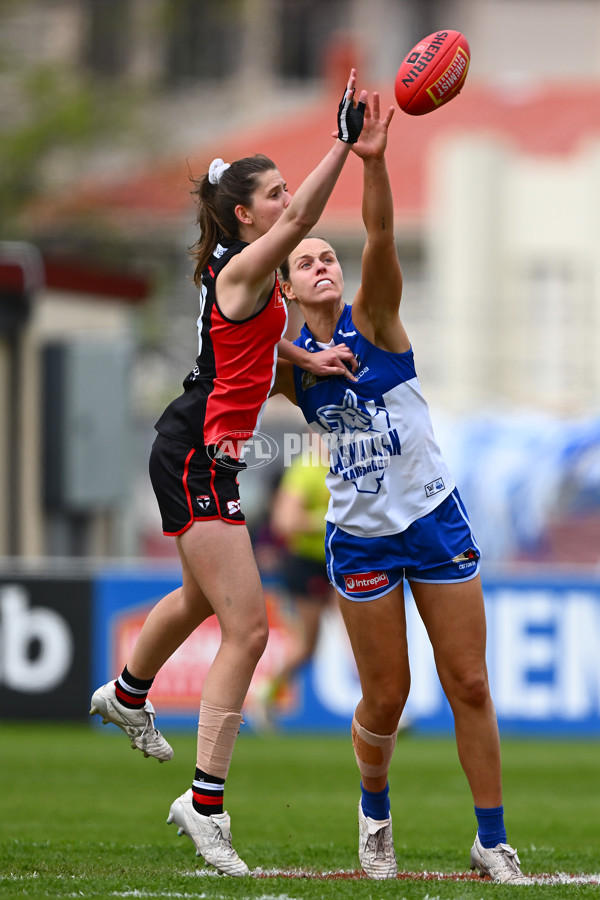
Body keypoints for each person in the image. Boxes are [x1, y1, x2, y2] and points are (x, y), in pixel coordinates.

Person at [89, 70, 368, 877]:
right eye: (275, 194)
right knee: (247, 628)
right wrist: (342, 143)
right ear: (246, 213)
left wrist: (307, 354)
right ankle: (204, 804)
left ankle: (129, 693)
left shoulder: (245, 273)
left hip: (199, 449)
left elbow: (252, 342)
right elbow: (312, 218)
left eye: (287, 190)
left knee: (204, 599)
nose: (288, 202)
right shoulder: (247, 268)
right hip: (196, 452)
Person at [274, 93, 531, 884]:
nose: (324, 264)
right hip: (360, 539)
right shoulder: (288, 368)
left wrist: (373, 159)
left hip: (432, 519)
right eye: (305, 260)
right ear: (283, 290)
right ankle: (375, 818)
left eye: (327, 256)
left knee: (471, 683)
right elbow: (230, 320)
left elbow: (381, 235)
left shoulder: (374, 320)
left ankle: (490, 839)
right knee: (385, 700)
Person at [255, 435, 334, 725]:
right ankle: (265, 692)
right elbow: (284, 521)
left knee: (360, 638)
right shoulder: (305, 470)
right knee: (307, 647)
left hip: (341, 562)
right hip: (308, 565)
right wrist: (328, 520)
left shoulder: (348, 466)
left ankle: (387, 709)